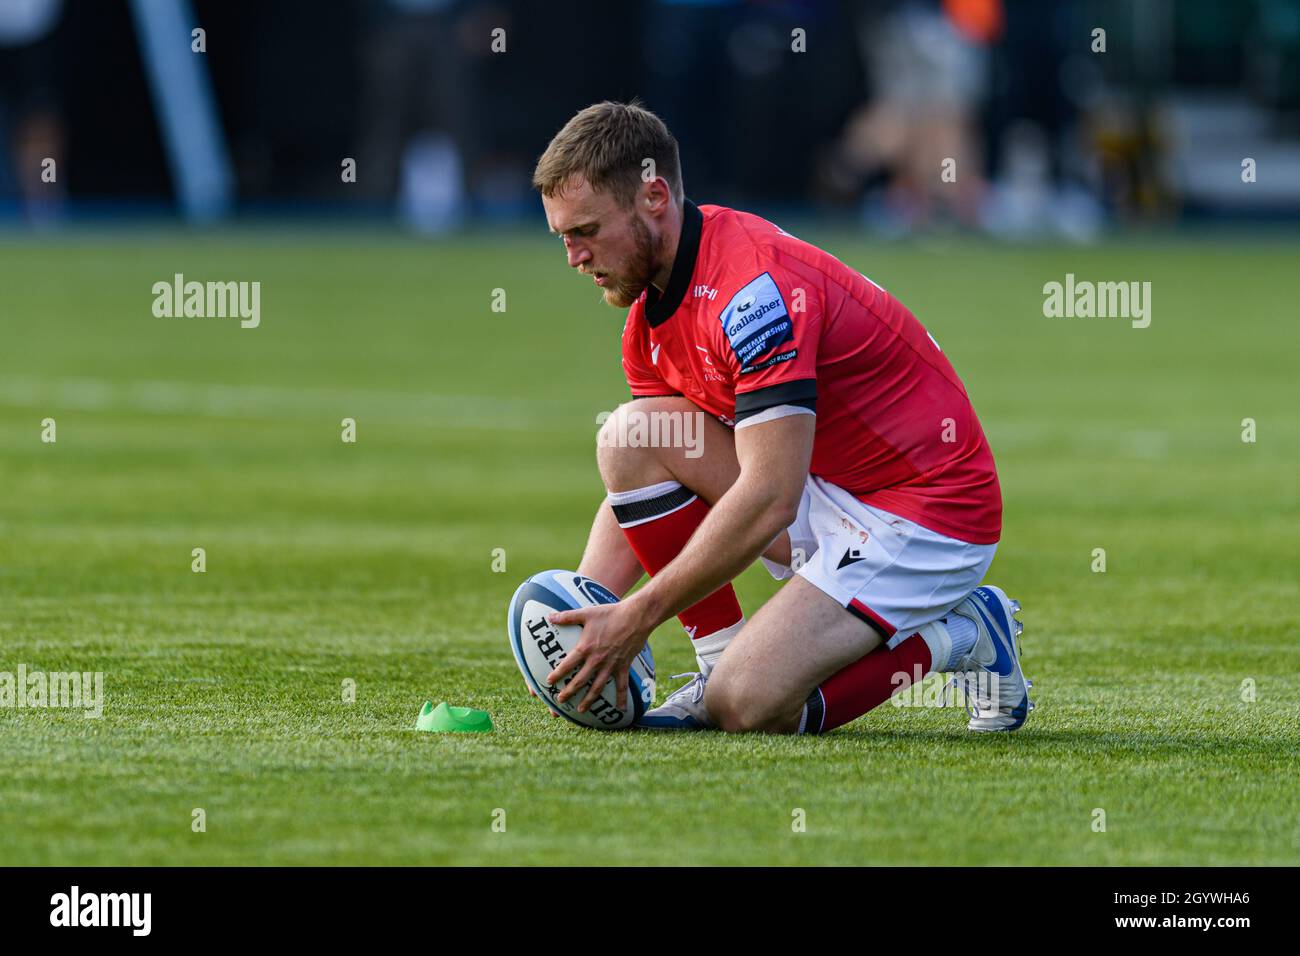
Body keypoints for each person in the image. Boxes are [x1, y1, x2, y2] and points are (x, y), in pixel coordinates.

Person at [531, 101, 1031, 734]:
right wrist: (580, 621)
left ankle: (966, 633)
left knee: (747, 706)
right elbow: (646, 484)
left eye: (585, 231)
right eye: (562, 237)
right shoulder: (645, 322)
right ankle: (714, 666)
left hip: (927, 510)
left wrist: (635, 617)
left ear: (654, 195)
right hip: (826, 485)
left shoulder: (753, 295)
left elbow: (768, 494)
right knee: (632, 435)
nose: (574, 256)